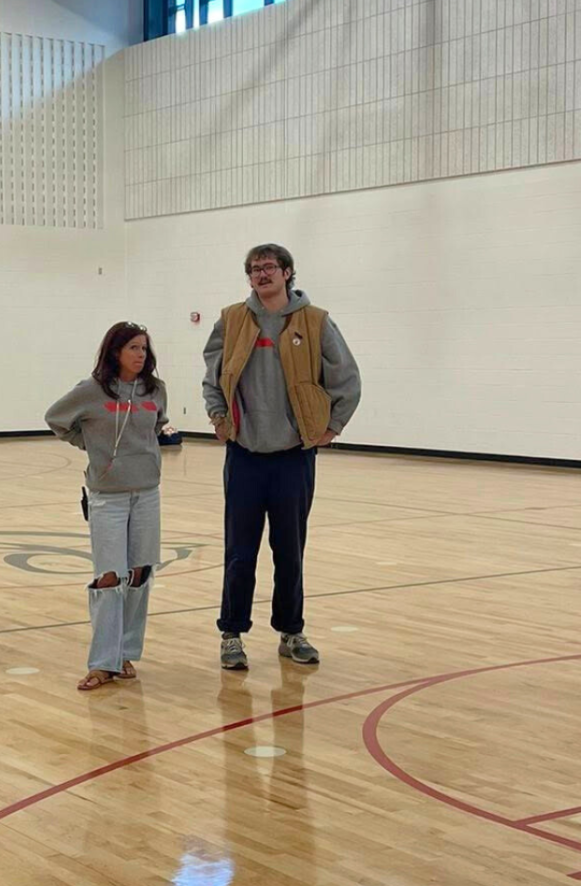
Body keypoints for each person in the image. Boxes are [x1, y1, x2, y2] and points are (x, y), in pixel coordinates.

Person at [202, 243, 362, 670]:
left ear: (288, 272)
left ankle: (291, 630)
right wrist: (219, 417)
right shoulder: (232, 319)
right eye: (254, 269)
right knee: (240, 551)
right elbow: (212, 376)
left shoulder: (315, 321)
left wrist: (331, 428)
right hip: (244, 456)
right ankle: (231, 633)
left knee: (289, 549)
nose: (262, 274)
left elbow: (347, 378)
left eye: (270, 267)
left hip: (293, 457)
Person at [46, 322, 168, 691]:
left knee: (140, 573)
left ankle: (126, 653)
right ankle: (102, 662)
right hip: (107, 496)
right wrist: (91, 446)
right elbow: (56, 419)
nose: (140, 354)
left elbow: (158, 424)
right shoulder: (91, 390)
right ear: (115, 351)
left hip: (147, 492)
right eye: (133, 347)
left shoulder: (156, 390)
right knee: (109, 577)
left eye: (144, 348)